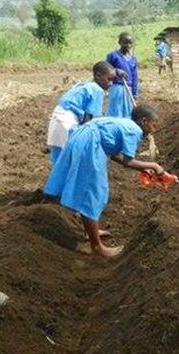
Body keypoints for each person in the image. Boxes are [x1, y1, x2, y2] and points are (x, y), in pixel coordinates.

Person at [44, 105, 166, 258]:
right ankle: (97, 247)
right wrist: (153, 166)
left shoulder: (125, 124)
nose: (153, 131)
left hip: (83, 140)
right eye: (153, 126)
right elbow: (127, 161)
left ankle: (91, 231)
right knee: (94, 193)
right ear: (144, 121)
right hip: (89, 146)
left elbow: (116, 155)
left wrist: (143, 169)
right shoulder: (134, 130)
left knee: (88, 190)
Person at [47, 61, 116, 165]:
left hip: (57, 119)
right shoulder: (97, 90)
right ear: (98, 76)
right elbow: (88, 122)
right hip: (67, 121)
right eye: (109, 79)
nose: (111, 84)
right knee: (70, 159)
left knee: (58, 158)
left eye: (113, 80)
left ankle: (56, 180)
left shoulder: (84, 84)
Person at [106, 32, 139, 118]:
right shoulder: (113, 56)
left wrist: (135, 93)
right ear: (119, 42)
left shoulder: (133, 59)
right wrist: (116, 71)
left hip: (129, 89)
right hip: (116, 88)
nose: (128, 45)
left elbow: (135, 77)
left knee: (128, 113)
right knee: (116, 112)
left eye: (130, 43)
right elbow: (105, 69)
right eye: (125, 42)